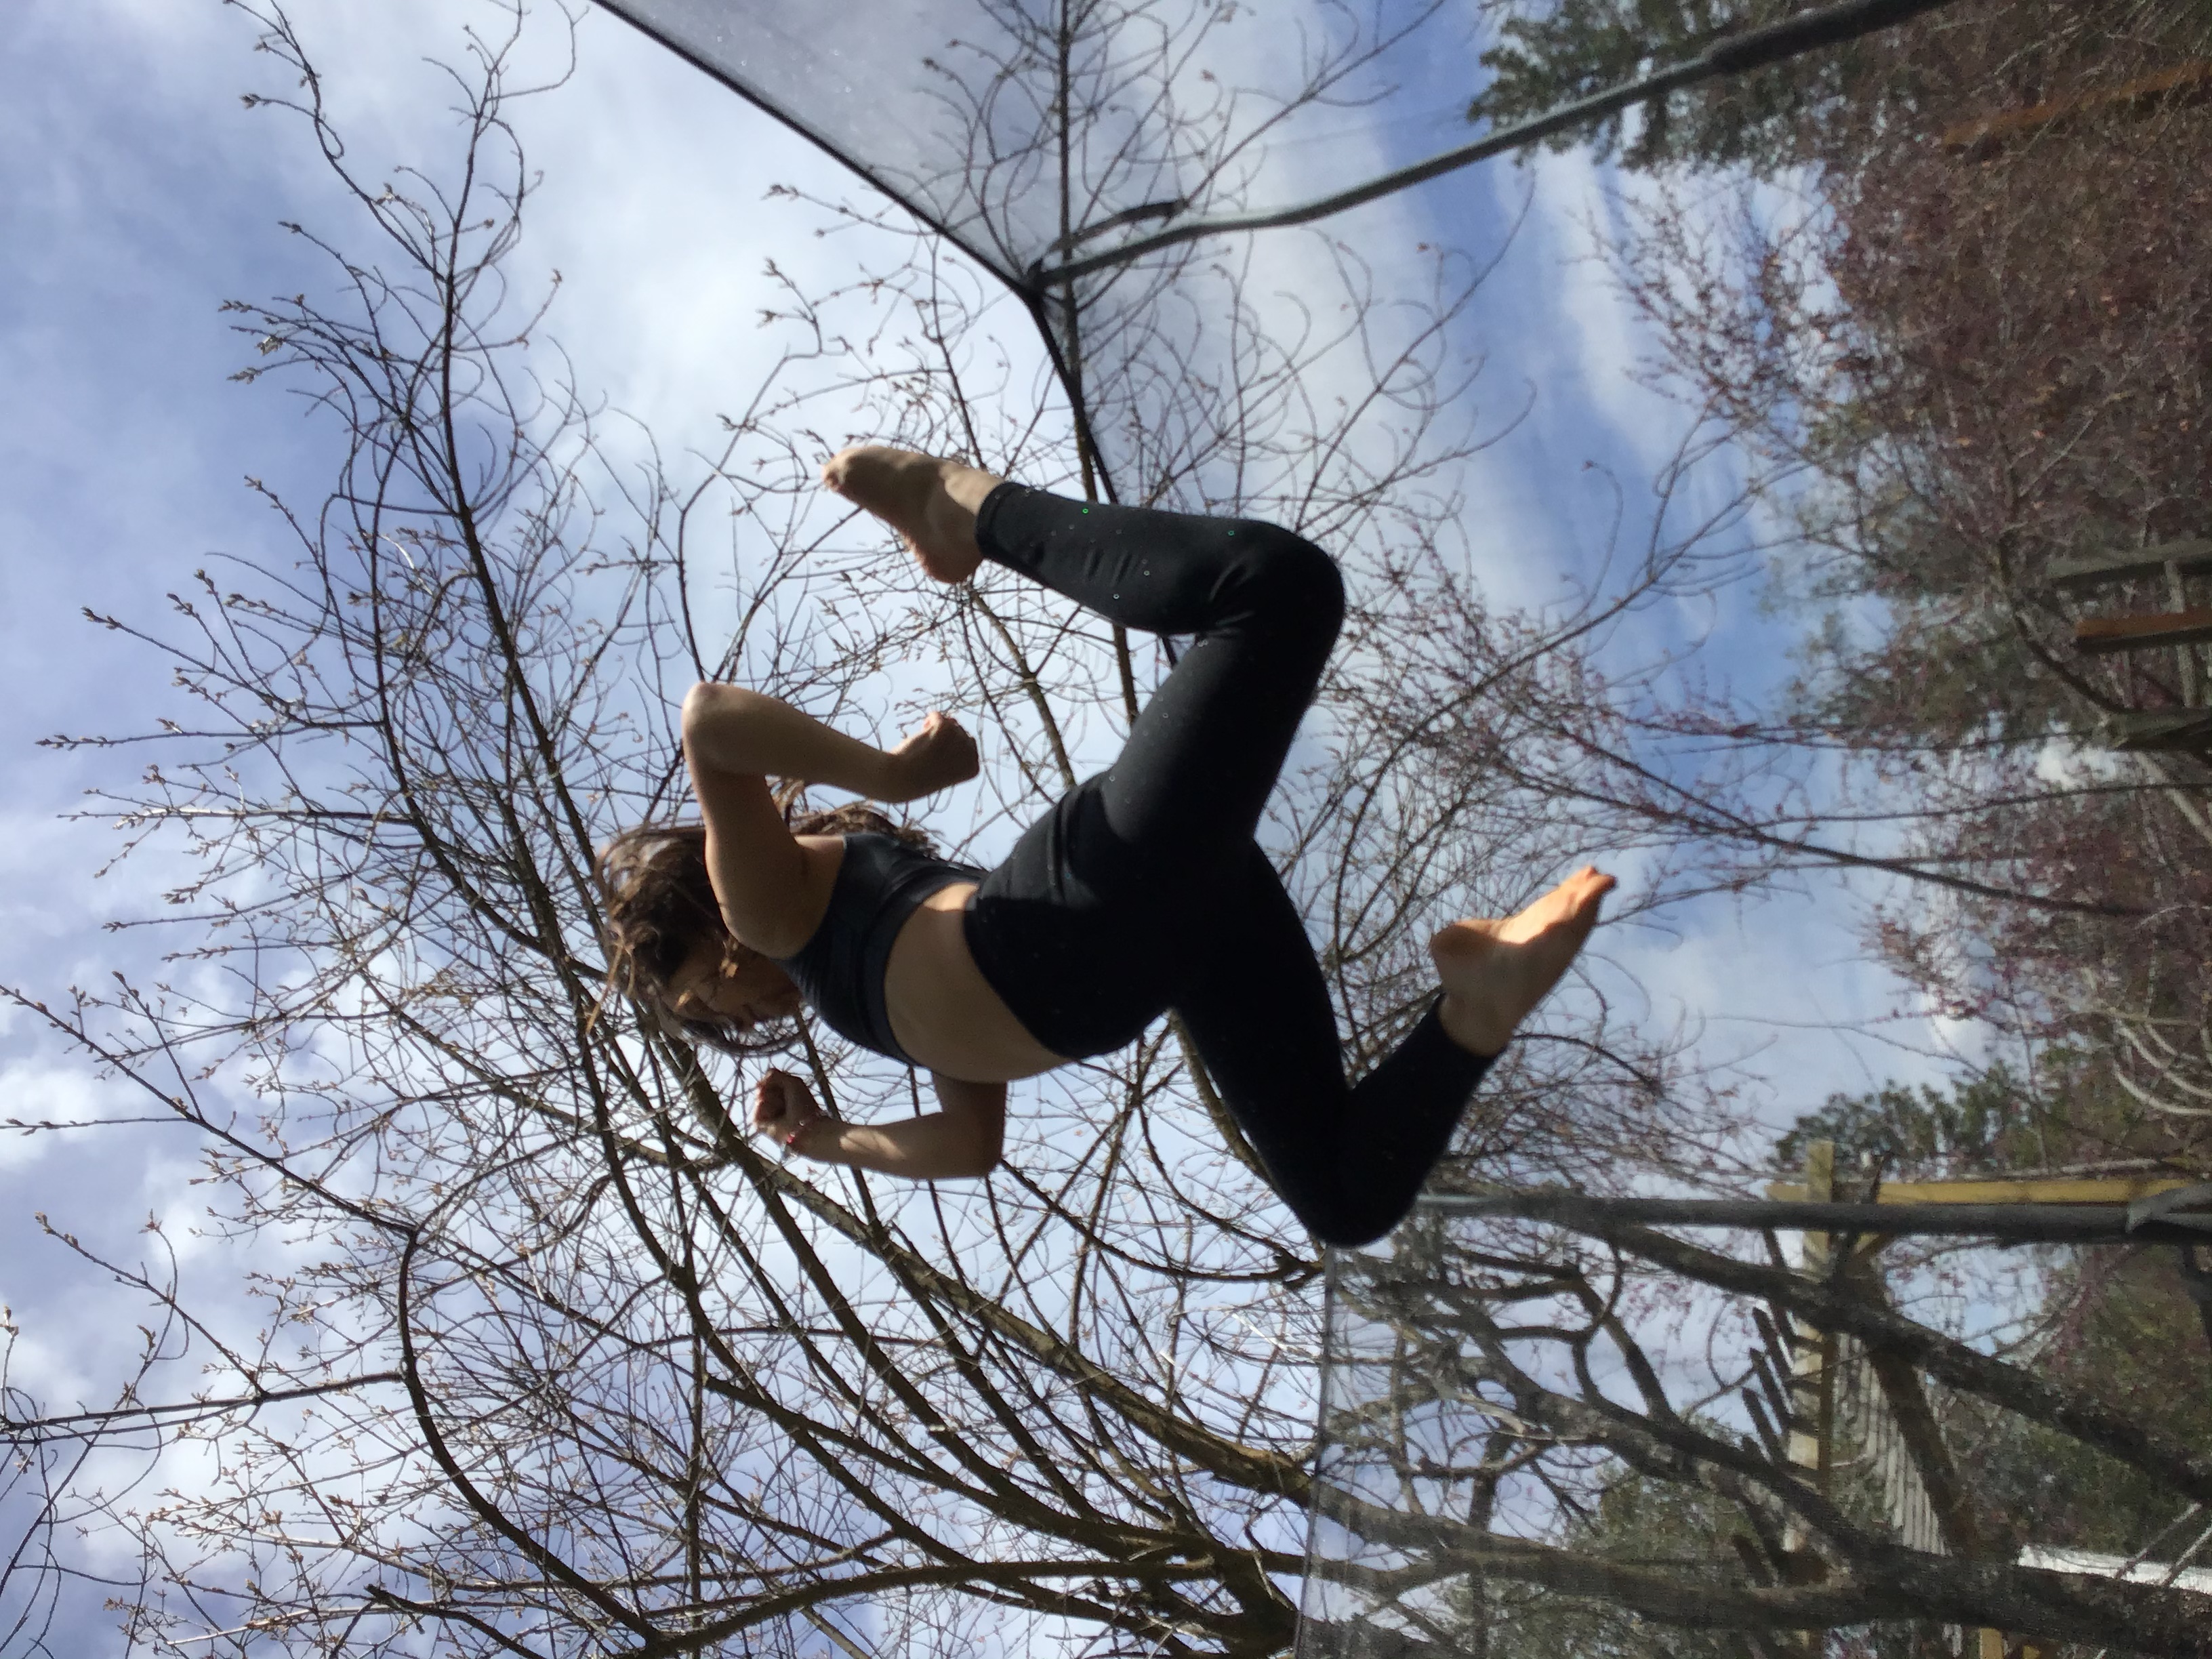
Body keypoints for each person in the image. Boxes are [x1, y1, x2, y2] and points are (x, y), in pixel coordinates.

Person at [598, 447, 1614, 1248]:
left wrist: (892, 775)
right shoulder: (875, 968)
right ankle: (1478, 1006)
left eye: (703, 998)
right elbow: (971, 1144)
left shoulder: (762, 913)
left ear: (707, 927)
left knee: (1275, 589)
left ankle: (965, 508)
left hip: (1056, 927)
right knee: (1345, 1196)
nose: (733, 1020)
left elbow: (709, 721)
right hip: (1148, 953)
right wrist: (821, 1141)